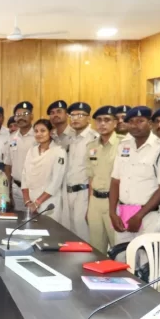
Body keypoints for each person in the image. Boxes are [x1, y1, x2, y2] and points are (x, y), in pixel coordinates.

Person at [109, 106, 160, 252]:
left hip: (148, 216)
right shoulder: (124, 146)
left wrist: (139, 215)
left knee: (147, 260)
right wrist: (113, 213)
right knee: (121, 257)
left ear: (150, 124)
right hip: (123, 213)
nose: (135, 125)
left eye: (140, 121)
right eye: (131, 121)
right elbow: (115, 181)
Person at [85, 106, 122, 253]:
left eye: (107, 120)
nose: (102, 123)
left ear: (115, 123)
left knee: (118, 247)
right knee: (96, 248)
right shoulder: (91, 146)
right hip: (95, 202)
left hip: (116, 202)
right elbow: (90, 178)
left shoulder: (123, 144)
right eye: (99, 120)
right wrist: (89, 207)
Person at [64, 102, 98, 241]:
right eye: (72, 115)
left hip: (84, 193)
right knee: (70, 234)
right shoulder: (70, 138)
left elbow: (96, 171)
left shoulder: (94, 138)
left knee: (84, 235)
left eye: (80, 115)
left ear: (88, 118)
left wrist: (91, 202)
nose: (75, 119)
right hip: (68, 192)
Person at [21, 119, 66, 219]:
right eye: (36, 131)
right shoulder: (31, 151)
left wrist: (37, 202)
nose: (39, 134)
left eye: (43, 131)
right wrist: (27, 201)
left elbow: (56, 182)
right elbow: (24, 176)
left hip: (49, 201)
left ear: (50, 132)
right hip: (31, 202)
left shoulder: (59, 151)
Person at [3, 102, 35, 211]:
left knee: (37, 219)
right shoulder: (11, 138)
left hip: (35, 188)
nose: (21, 117)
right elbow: (8, 166)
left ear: (31, 116)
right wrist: (8, 192)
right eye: (18, 115)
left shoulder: (39, 136)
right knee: (19, 219)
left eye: (25, 114)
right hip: (17, 188)